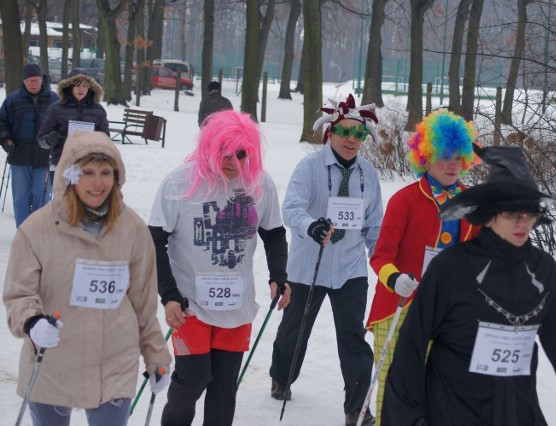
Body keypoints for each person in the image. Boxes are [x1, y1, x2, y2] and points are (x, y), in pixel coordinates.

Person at [382, 145, 556, 425]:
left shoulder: (542, 270)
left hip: (517, 406)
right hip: (454, 405)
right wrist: (410, 418)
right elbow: (411, 345)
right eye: (511, 213)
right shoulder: (451, 268)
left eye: (530, 212)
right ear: (488, 215)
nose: (522, 222)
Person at [3, 131, 172, 425]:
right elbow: (19, 293)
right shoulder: (37, 229)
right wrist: (32, 322)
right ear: (70, 175)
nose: (98, 183)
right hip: (54, 360)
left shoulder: (132, 229)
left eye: (106, 172)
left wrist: (156, 356)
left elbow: (143, 303)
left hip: (114, 363)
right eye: (87, 172)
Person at [148, 110, 291, 426]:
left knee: (225, 386)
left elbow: (274, 233)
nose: (231, 162)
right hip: (190, 305)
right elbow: (154, 241)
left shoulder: (260, 184)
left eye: (240, 154)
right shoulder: (181, 181)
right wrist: (169, 295)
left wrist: (279, 276)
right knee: (194, 377)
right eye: (223, 153)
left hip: (235, 305)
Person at [269, 94, 384, 426]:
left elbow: (374, 223)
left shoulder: (368, 175)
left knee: (352, 338)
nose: (351, 140)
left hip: (350, 268)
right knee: (295, 329)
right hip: (308, 266)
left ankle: (357, 408)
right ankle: (281, 375)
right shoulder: (309, 168)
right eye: (345, 132)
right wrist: (312, 225)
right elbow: (292, 208)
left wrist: (383, 262)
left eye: (358, 134)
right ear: (330, 133)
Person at [366, 110, 481, 424]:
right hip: (398, 308)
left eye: (458, 157)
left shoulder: (474, 204)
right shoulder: (404, 200)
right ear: (426, 157)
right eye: (444, 156)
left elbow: (484, 258)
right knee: (392, 391)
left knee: (438, 393)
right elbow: (380, 256)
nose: (452, 164)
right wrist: (396, 279)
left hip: (447, 314)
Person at [0, 63, 59, 227]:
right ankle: (24, 232)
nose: (34, 84)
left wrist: (56, 138)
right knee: (20, 197)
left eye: (37, 80)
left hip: (44, 156)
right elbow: (2, 123)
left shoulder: (54, 100)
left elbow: (61, 123)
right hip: (18, 155)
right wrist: (6, 141)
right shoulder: (13, 99)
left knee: (41, 196)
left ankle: (38, 231)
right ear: (24, 81)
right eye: (30, 81)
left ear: (42, 80)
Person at [37, 68, 110, 183]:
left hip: (88, 167)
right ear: (70, 86)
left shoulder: (98, 110)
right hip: (61, 164)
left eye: (85, 85)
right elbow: (41, 138)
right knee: (61, 201)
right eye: (77, 85)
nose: (81, 89)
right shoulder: (56, 108)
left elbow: (106, 141)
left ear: (90, 88)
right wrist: (49, 139)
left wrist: (97, 145)